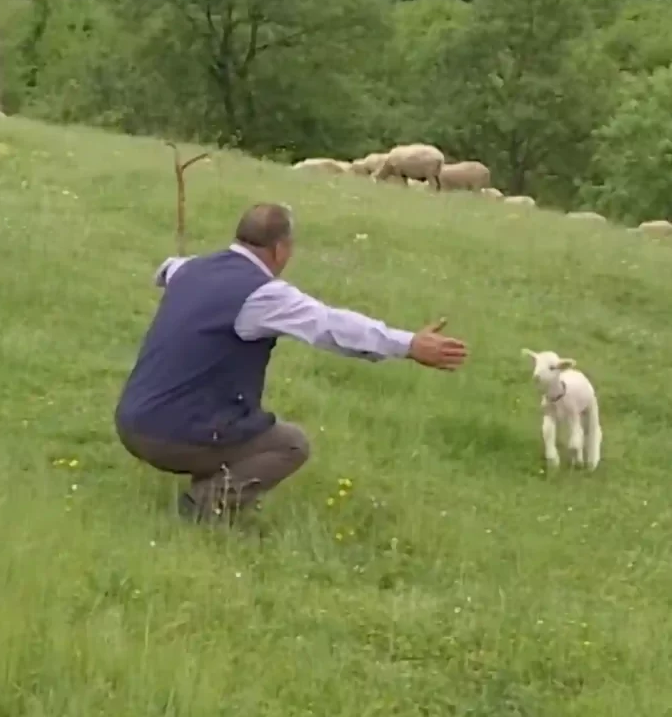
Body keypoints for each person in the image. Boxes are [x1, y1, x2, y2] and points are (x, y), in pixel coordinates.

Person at [115, 202, 467, 523]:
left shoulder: (190, 269)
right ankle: (203, 508)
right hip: (167, 436)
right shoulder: (262, 293)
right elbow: (330, 326)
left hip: (131, 421)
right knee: (290, 444)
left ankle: (208, 474)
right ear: (281, 249)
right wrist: (409, 344)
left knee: (238, 420)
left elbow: (166, 270)